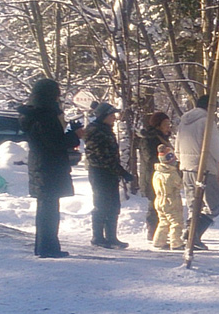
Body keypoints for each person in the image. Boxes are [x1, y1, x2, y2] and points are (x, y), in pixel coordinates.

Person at [17, 78, 84, 258]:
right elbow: (54, 142)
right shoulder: (44, 115)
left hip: (42, 165)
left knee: (46, 208)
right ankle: (48, 247)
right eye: (57, 93)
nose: (59, 97)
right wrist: (74, 136)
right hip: (49, 166)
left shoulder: (35, 113)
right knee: (49, 209)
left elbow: (50, 140)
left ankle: (44, 246)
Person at [175, 94, 219, 250]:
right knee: (214, 205)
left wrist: (182, 161)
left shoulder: (184, 121)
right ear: (210, 107)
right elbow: (214, 148)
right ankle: (193, 235)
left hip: (186, 167)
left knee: (194, 204)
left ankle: (189, 232)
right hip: (204, 168)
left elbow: (177, 146)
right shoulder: (207, 122)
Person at [84, 101, 134, 249]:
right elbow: (102, 157)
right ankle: (98, 237)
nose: (114, 117)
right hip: (100, 173)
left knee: (113, 204)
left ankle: (111, 237)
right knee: (101, 204)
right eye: (112, 115)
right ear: (104, 116)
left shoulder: (105, 129)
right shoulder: (96, 131)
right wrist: (122, 172)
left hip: (110, 173)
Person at [136, 111, 172, 241]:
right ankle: (153, 231)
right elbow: (150, 158)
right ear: (158, 125)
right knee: (155, 204)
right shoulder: (149, 140)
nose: (168, 126)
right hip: (152, 177)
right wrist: (167, 161)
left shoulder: (163, 138)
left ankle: (161, 232)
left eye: (169, 124)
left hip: (164, 176)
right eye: (165, 124)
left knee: (163, 204)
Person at [152, 144, 185, 250]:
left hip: (159, 200)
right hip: (171, 200)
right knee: (176, 222)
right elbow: (180, 185)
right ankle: (176, 243)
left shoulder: (157, 173)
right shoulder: (172, 174)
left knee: (163, 221)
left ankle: (158, 241)